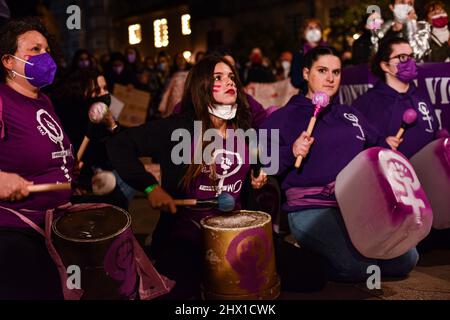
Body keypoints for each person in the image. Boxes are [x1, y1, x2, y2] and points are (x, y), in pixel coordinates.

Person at [107, 55, 268, 298]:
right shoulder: (178, 129)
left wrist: (256, 175)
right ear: (202, 86)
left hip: (237, 233)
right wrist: (151, 188)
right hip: (189, 236)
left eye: (231, 77)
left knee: (310, 275)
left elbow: (251, 167)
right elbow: (120, 144)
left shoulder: (244, 129)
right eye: (218, 77)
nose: (229, 82)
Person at [260, 46, 418, 282]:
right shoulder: (282, 117)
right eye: (322, 71)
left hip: (357, 204)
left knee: (405, 261)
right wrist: (290, 151)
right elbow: (263, 164)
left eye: (336, 72)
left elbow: (374, 146)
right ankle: (308, 259)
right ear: (305, 73)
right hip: (312, 209)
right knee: (360, 269)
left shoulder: (348, 113)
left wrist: (385, 145)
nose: (330, 78)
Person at [0, 17, 73, 299]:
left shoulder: (43, 100)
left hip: (54, 224)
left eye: (46, 50)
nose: (45, 57)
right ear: (8, 60)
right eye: (34, 50)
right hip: (16, 230)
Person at [353, 37, 440, 159]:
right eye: (403, 57)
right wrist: (379, 146)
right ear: (385, 66)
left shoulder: (421, 98)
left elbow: (433, 135)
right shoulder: (366, 104)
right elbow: (355, 146)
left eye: (411, 56)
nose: (410, 61)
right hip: (391, 175)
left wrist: (439, 138)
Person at [290, 18, 328, 93]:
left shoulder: (329, 51)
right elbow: (295, 80)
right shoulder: (299, 53)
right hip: (307, 94)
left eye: (317, 28)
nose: (314, 31)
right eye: (310, 28)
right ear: (303, 33)